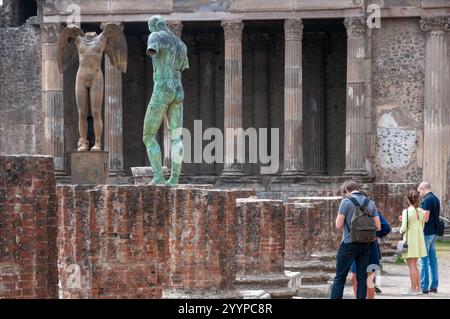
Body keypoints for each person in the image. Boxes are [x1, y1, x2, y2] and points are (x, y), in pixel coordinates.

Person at [330, 180, 381, 299]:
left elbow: (338, 225)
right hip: (366, 244)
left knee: (339, 277)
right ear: (358, 189)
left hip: (349, 243)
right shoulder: (370, 203)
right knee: (362, 277)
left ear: (347, 191)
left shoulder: (346, 201)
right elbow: (378, 226)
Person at [350, 211, 391, 299]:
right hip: (361, 248)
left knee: (368, 278)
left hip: (370, 247)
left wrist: (374, 235)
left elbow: (386, 227)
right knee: (355, 278)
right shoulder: (355, 206)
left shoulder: (370, 207)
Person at [400, 189, 428, 296]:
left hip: (410, 240)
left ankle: (413, 289)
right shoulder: (422, 211)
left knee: (411, 265)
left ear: (408, 199)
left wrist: (400, 228)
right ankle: (418, 288)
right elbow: (422, 225)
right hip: (418, 239)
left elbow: (403, 228)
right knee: (415, 265)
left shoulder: (406, 211)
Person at [417, 182, 440, 293]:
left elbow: (425, 218)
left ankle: (424, 286)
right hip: (434, 232)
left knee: (423, 260)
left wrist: (417, 219)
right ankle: (434, 285)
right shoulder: (436, 198)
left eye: (419, 191)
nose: (419, 193)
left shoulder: (427, 199)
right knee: (433, 259)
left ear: (423, 189)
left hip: (426, 233)